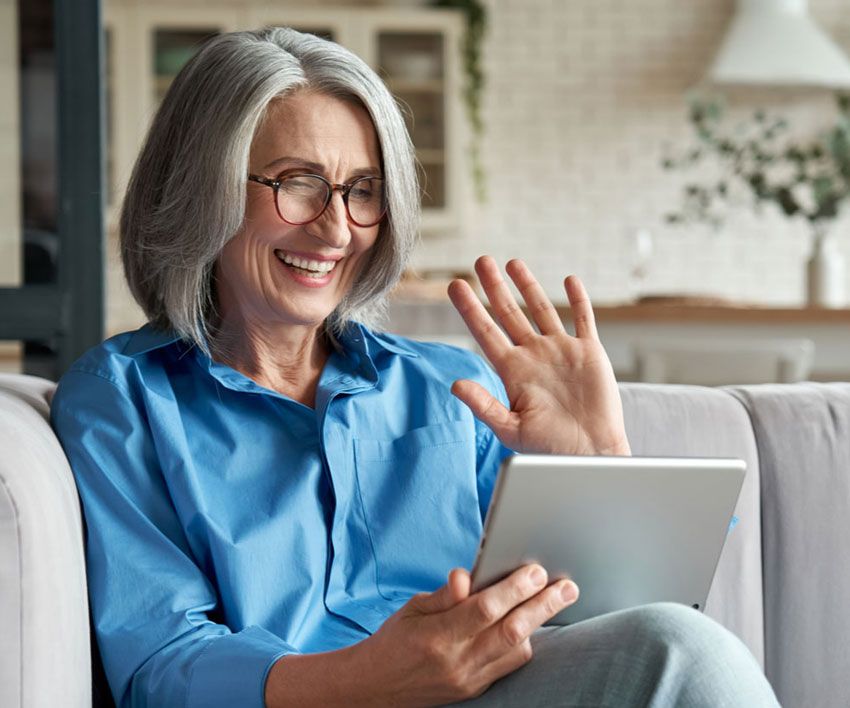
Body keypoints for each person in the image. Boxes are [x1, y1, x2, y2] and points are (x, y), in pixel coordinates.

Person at [51, 27, 779, 708]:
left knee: (677, 647)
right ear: (201, 186)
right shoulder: (121, 398)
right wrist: (369, 678)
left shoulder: (449, 386)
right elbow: (158, 666)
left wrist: (602, 470)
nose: (336, 229)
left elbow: (605, 624)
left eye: (362, 190)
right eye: (298, 181)